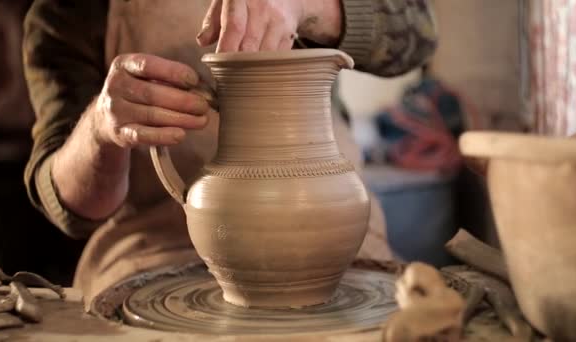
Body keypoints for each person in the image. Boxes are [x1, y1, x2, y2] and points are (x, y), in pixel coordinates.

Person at [22, 0, 437, 307]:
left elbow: (419, 34)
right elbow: (71, 210)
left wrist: (306, 6)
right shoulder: (67, 12)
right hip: (160, 247)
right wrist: (100, 127)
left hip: (344, 233)